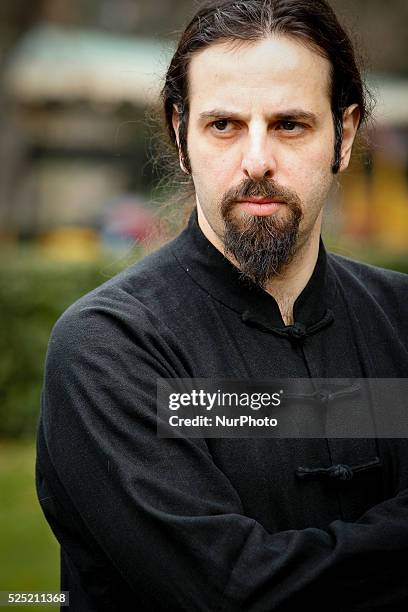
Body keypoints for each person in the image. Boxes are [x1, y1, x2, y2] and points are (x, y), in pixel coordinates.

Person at [36, 1, 408, 610]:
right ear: (181, 137)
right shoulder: (109, 348)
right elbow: (231, 592)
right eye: (224, 125)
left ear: (343, 137)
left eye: (290, 124)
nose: (256, 160)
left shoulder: (400, 319)